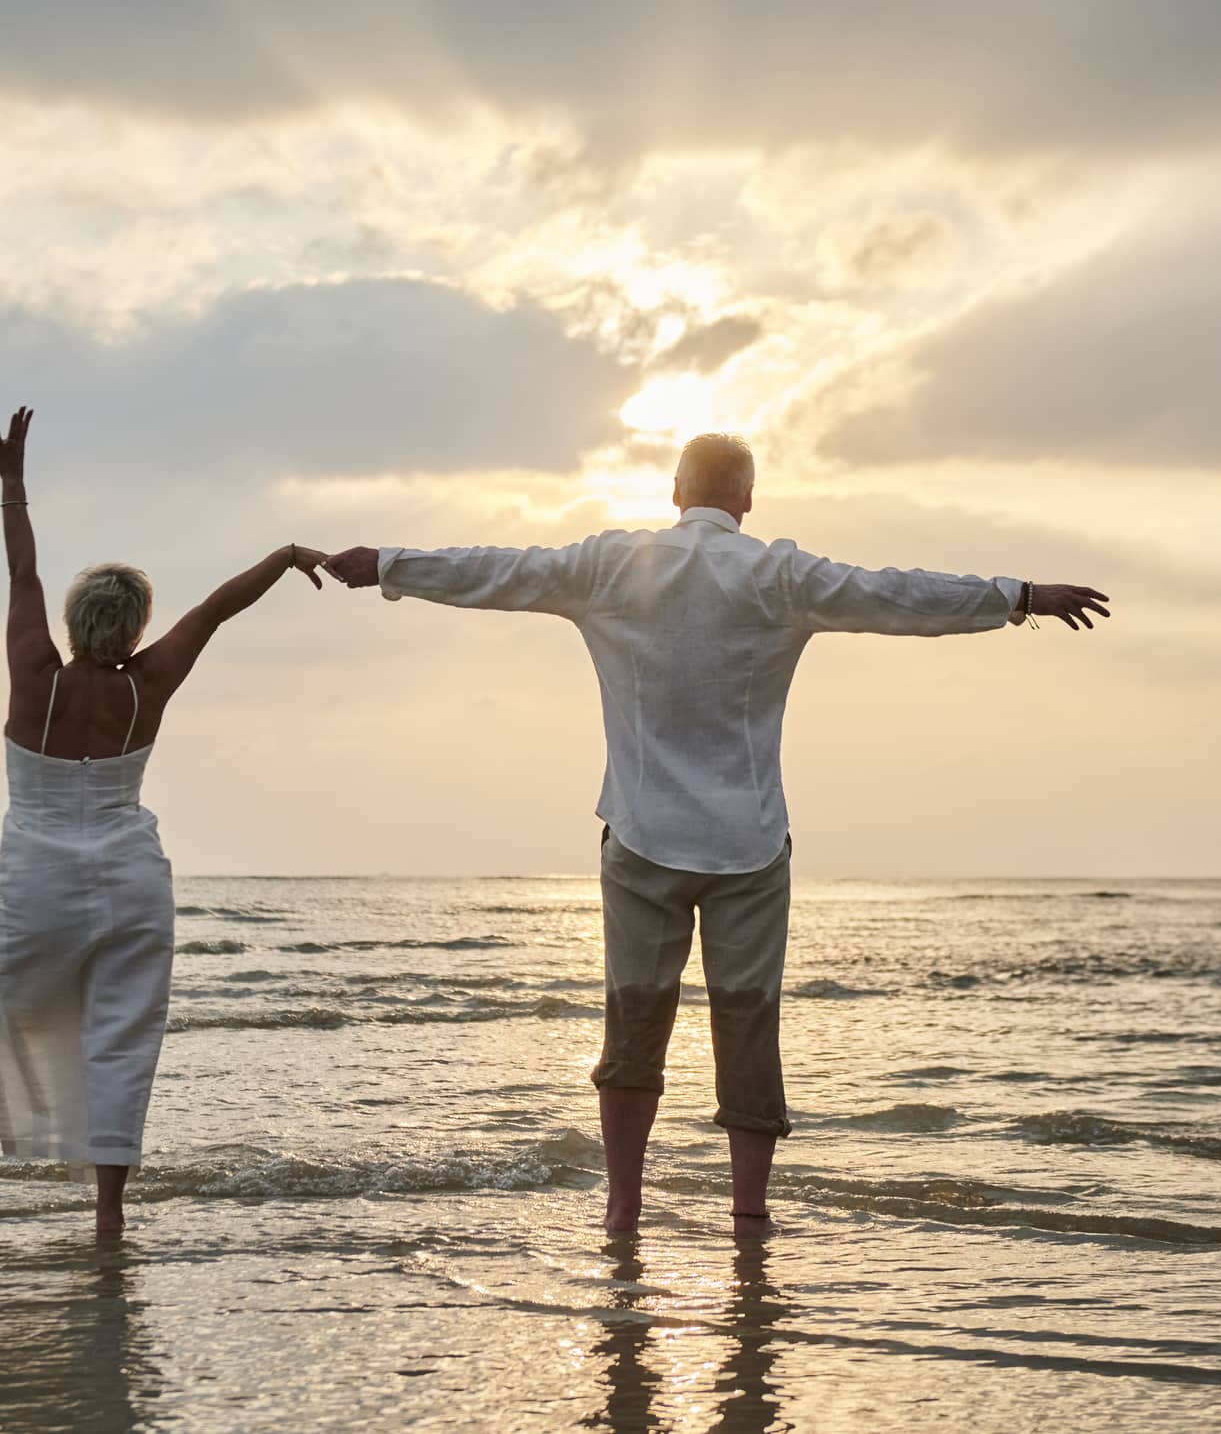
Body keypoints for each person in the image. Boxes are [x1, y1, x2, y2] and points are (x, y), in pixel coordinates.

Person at [324, 433, 1109, 1236]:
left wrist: (388, 563)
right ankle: (748, 1213)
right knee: (746, 1023)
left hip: (641, 833)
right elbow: (898, 595)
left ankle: (624, 1205)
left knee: (633, 1022)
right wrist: (1018, 594)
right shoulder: (780, 575)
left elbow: (496, 570)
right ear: (748, 499)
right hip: (750, 843)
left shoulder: (609, 567)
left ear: (673, 491)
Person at [0, 407, 328, 1232]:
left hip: (40, 881)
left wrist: (12, 480)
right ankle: (108, 1212)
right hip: (132, 883)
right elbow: (215, 609)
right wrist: (286, 556)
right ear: (136, 625)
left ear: (74, 622)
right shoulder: (150, 683)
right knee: (121, 1042)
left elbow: (22, 575)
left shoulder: (37, 678)